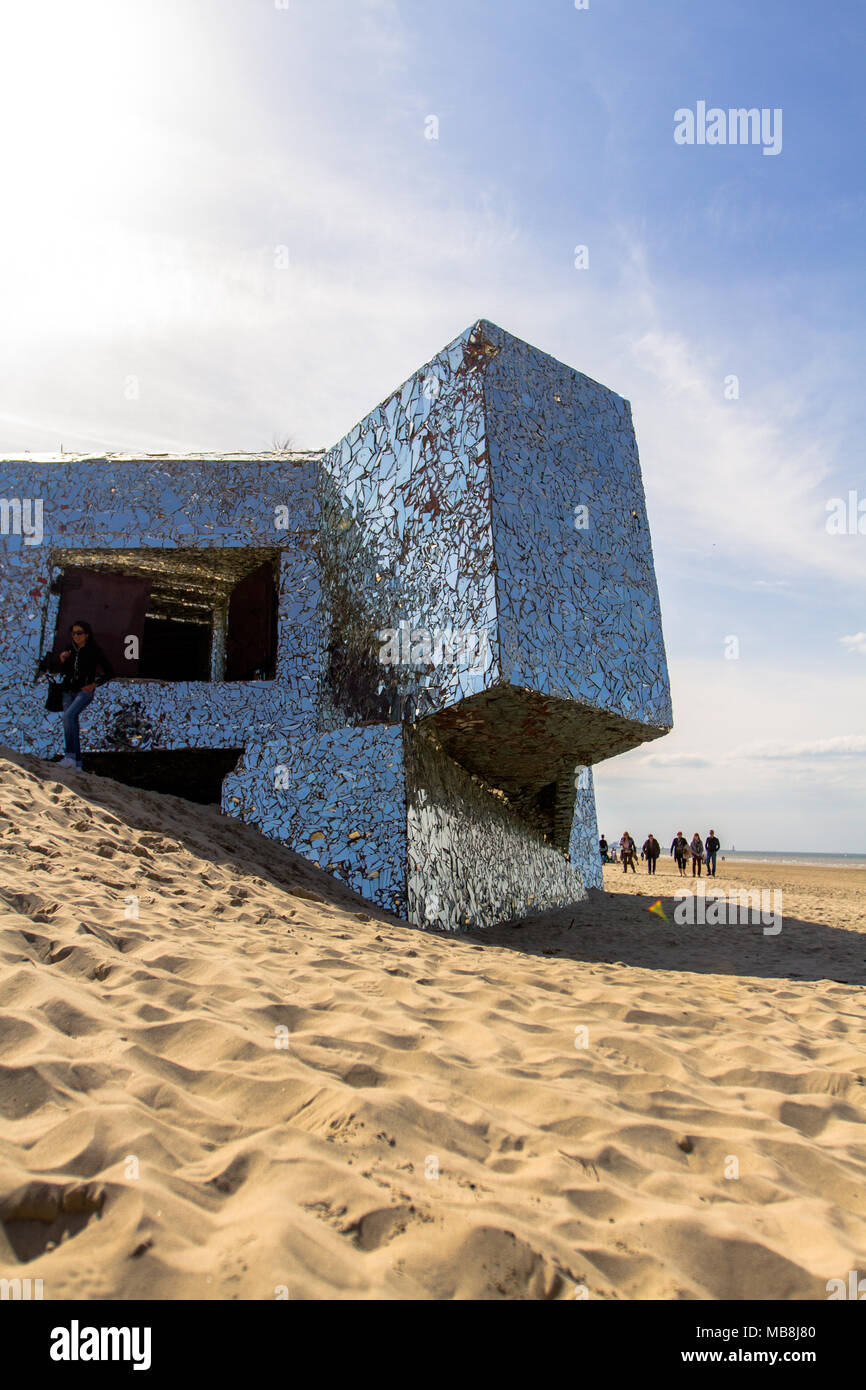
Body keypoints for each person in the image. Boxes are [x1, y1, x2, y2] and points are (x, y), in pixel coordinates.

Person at [55, 620, 114, 770]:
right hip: (68, 690)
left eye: (79, 633)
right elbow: (66, 671)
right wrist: (63, 660)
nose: (76, 636)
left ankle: (69, 756)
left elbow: (110, 672)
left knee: (68, 717)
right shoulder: (70, 649)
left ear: (87, 635)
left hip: (84, 691)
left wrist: (94, 684)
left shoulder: (94, 650)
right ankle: (77, 763)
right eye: (73, 633)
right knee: (72, 723)